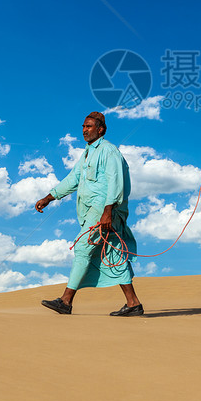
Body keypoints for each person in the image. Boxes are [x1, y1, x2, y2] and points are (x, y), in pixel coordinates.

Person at [35, 111, 143, 316]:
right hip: (92, 211)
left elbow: (116, 182)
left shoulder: (109, 151)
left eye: (89, 127)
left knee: (83, 247)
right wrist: (49, 197)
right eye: (83, 127)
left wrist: (107, 211)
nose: (84, 130)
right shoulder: (87, 153)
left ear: (100, 129)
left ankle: (65, 301)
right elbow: (73, 179)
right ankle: (133, 303)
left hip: (103, 209)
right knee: (114, 254)